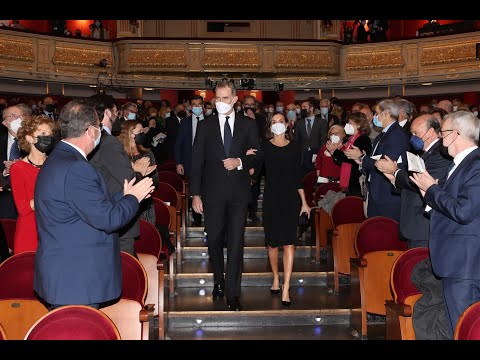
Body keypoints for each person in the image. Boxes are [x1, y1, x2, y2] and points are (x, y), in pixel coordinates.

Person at [34, 99, 154, 310]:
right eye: (99, 127)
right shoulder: (77, 168)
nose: (100, 132)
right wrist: (133, 199)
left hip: (66, 274)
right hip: (77, 279)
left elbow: (85, 207)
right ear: (90, 131)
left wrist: (123, 196)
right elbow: (108, 219)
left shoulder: (58, 159)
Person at [409, 111, 480, 339]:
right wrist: (429, 194)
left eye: (443, 132)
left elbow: (463, 211)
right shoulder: (460, 164)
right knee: (455, 327)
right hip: (456, 262)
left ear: (456, 134)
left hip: (464, 265)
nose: (440, 138)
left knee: (463, 328)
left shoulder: (475, 165)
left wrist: (432, 190)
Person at [190, 80, 259, 311]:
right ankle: (218, 280)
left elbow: (258, 156)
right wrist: (195, 194)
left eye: (225, 98)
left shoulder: (248, 125)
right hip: (212, 194)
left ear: (235, 99)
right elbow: (197, 161)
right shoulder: (205, 125)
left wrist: (240, 161)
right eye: (217, 98)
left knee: (237, 243)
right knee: (216, 240)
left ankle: (233, 292)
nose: (221, 102)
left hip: (239, 193)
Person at [252, 112, 310, 306]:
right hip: (271, 199)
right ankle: (276, 276)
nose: (278, 125)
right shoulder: (264, 147)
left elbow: (298, 176)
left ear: (288, 124)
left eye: (281, 122)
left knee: (289, 243)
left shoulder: (295, 147)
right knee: (272, 244)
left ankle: (286, 287)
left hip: (290, 199)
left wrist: (304, 202)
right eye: (274, 122)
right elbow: (255, 173)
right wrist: (247, 160)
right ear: (270, 126)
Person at [87, 94, 155, 256]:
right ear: (109, 113)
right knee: (124, 272)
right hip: (117, 216)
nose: (117, 115)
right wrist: (138, 171)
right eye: (116, 111)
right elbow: (129, 181)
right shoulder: (108, 141)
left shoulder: (91, 138)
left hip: (101, 214)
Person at [345, 99, 410, 222]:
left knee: (386, 234)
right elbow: (373, 160)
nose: (374, 117)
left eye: (376, 113)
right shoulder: (382, 135)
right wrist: (361, 161)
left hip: (386, 195)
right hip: (376, 192)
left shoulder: (396, 134)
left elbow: (385, 163)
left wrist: (362, 158)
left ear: (385, 113)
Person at [10, 115, 54, 254]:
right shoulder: (18, 168)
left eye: (50, 134)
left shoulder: (56, 164)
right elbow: (22, 208)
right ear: (29, 138)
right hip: (29, 232)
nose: (48, 137)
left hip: (54, 230)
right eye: (43, 133)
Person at [118, 120, 159, 225]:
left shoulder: (147, 153)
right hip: (127, 201)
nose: (142, 134)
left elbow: (155, 180)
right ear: (131, 134)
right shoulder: (121, 155)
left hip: (146, 203)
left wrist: (145, 173)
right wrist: (135, 171)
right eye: (139, 131)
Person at [175, 95, 205, 227]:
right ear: (191, 107)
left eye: (199, 104)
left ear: (203, 106)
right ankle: (197, 219)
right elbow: (178, 144)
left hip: (208, 162)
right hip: (190, 162)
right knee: (194, 190)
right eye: (194, 105)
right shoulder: (185, 122)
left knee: (208, 190)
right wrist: (179, 162)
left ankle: (209, 218)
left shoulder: (211, 121)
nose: (197, 107)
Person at [329, 112, 372, 197]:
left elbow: (350, 160)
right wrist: (334, 152)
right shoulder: (351, 139)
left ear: (358, 125)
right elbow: (342, 161)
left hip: (357, 179)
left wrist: (335, 152)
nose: (347, 125)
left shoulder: (362, 139)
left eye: (350, 123)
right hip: (349, 179)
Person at [1, 105, 26, 220]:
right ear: (5, 123)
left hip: (28, 200)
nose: (18, 119)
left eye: (21, 116)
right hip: (4, 201)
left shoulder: (35, 143)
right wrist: (5, 172)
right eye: (13, 116)